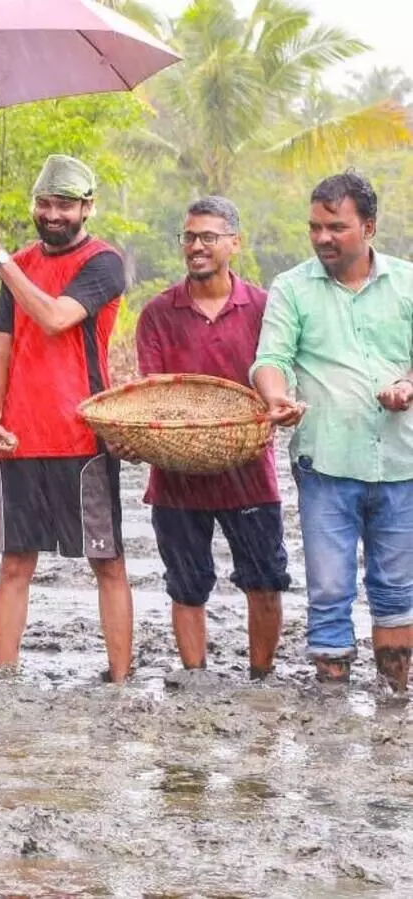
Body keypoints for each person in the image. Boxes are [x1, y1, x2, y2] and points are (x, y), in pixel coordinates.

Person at [0, 154, 134, 683]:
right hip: (20, 437)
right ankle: (5, 671)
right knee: (15, 563)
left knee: (106, 562)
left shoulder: (105, 263)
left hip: (82, 435)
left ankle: (121, 678)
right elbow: (2, 345)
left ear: (87, 207)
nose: (53, 213)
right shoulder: (16, 264)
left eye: (65, 204)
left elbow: (57, 318)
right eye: (44, 203)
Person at [252, 172, 413, 691]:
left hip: (400, 460)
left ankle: (395, 698)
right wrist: (275, 394)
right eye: (315, 227)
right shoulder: (292, 287)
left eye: (336, 227)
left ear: (368, 227)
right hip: (325, 462)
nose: (322, 237)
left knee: (396, 589)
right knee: (328, 589)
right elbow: (270, 358)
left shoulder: (407, 282)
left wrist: (406, 387)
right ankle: (331, 708)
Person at [126, 197, 289, 679]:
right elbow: (151, 392)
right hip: (175, 476)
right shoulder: (158, 313)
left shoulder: (262, 308)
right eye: (189, 238)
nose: (196, 246)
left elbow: (279, 372)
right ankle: (193, 676)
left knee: (264, 581)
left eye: (208, 237)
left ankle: (262, 675)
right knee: (186, 585)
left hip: (250, 473)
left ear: (234, 244)